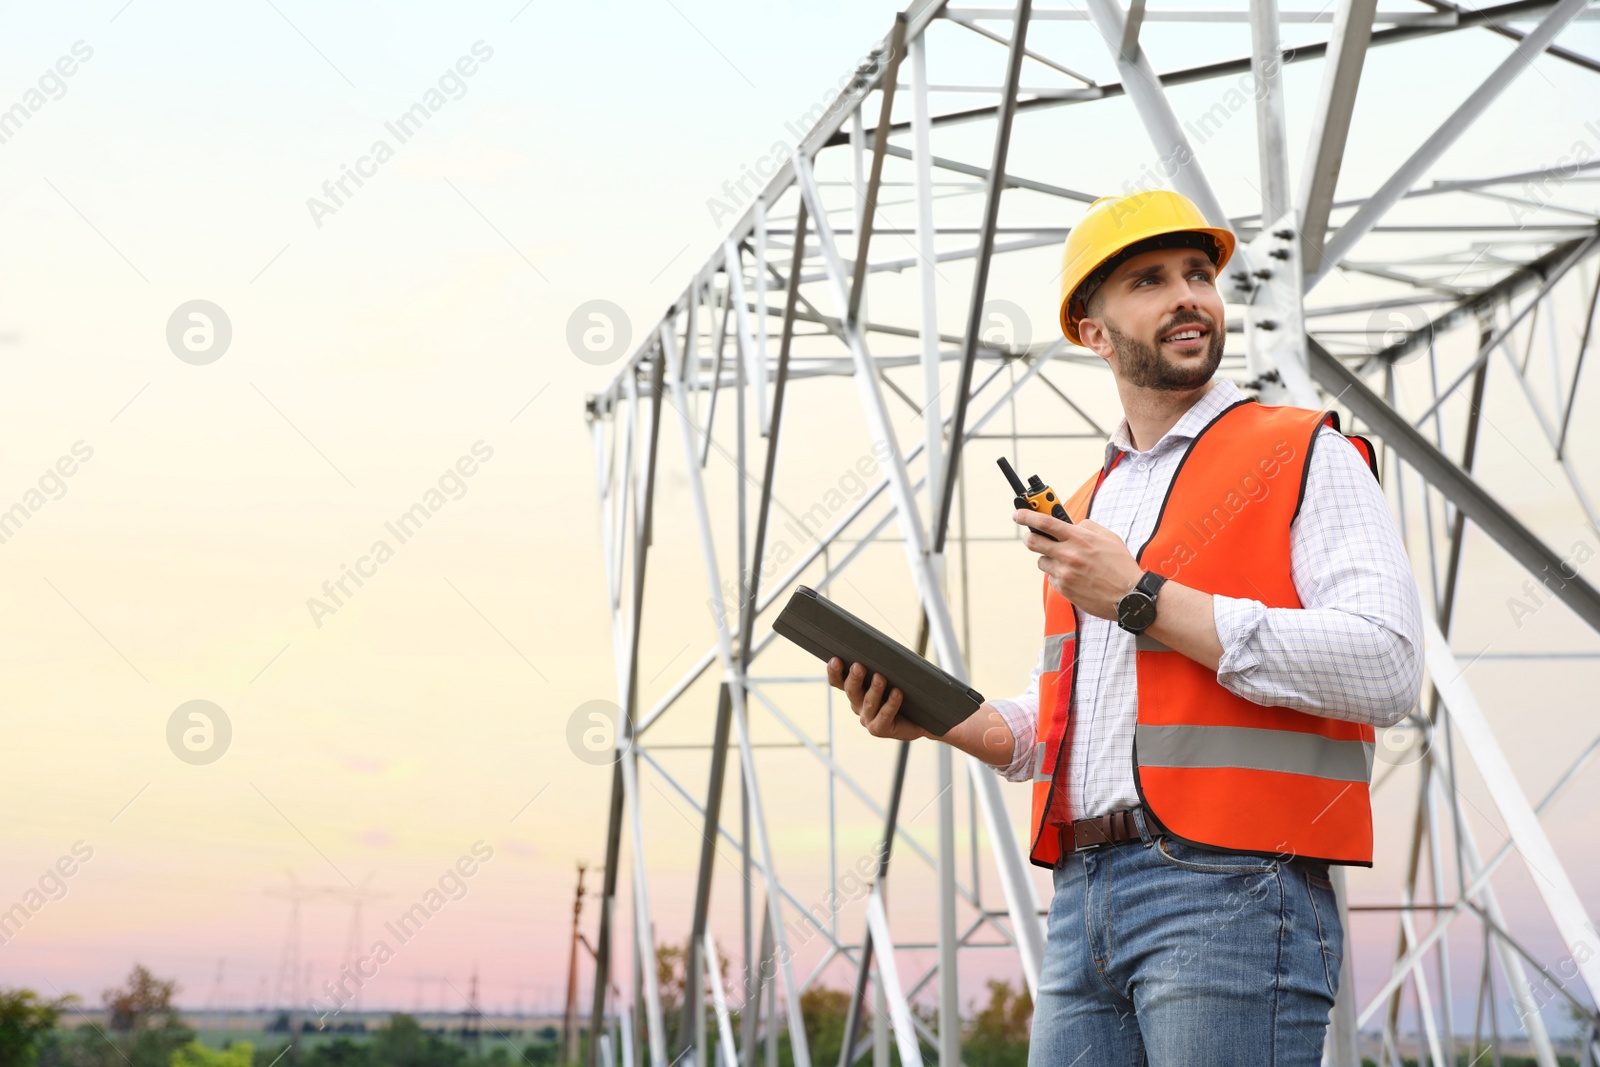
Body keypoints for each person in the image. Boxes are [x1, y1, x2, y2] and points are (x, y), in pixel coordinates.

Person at [825, 188, 1423, 1065]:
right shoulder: (1091, 508)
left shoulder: (1307, 451)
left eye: (1198, 275)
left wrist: (1143, 596)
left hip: (1237, 888)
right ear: (1093, 332)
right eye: (1149, 280)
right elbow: (1081, 723)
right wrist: (949, 719)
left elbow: (1388, 667)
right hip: (1084, 895)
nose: (1187, 295)